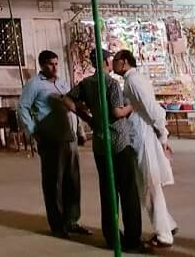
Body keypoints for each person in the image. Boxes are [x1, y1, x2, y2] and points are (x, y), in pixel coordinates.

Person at [63, 49, 143, 252]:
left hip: (100, 143)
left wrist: (88, 118)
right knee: (128, 193)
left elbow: (67, 100)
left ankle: (111, 236)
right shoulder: (111, 84)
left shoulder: (87, 83)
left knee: (108, 193)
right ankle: (133, 239)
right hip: (118, 142)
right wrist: (131, 107)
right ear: (107, 61)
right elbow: (116, 112)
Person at [19, 49, 85, 239]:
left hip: (69, 136)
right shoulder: (34, 85)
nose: (54, 67)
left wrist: (79, 130)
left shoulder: (62, 83)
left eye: (56, 63)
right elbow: (23, 107)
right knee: (54, 181)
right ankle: (57, 224)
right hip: (51, 136)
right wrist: (33, 131)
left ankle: (72, 220)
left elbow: (72, 107)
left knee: (72, 180)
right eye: (50, 64)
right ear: (42, 65)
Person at [112, 50, 175, 248]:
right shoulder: (133, 80)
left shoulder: (133, 81)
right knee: (148, 184)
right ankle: (167, 224)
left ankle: (164, 234)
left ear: (123, 62)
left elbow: (152, 108)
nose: (112, 65)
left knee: (149, 184)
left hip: (144, 134)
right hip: (142, 133)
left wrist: (162, 134)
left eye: (114, 61)